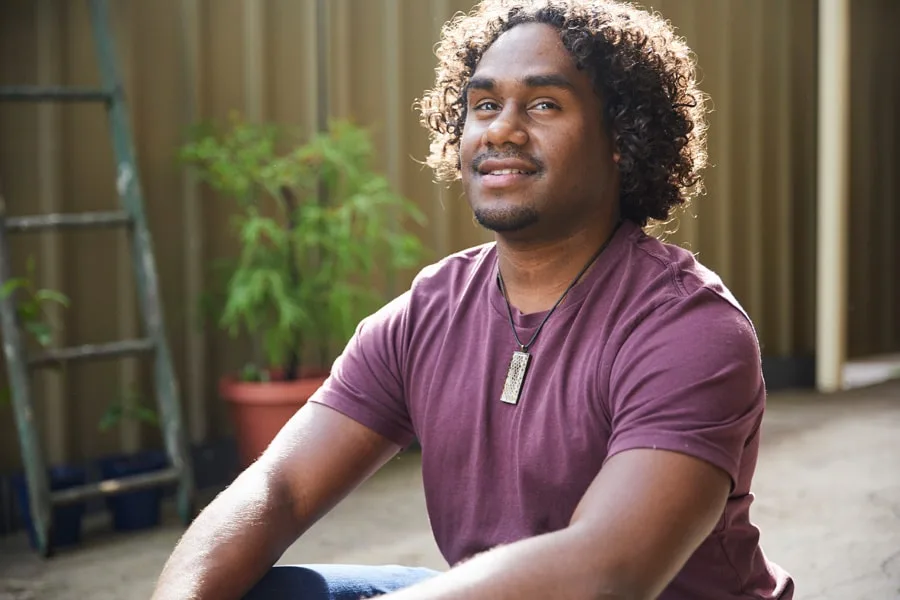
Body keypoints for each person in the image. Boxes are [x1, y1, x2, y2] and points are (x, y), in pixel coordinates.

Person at [152, 1, 794, 598]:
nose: (502, 132)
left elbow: (609, 569)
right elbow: (281, 487)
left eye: (544, 105)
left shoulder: (687, 327)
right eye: (483, 106)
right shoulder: (429, 310)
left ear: (622, 140)